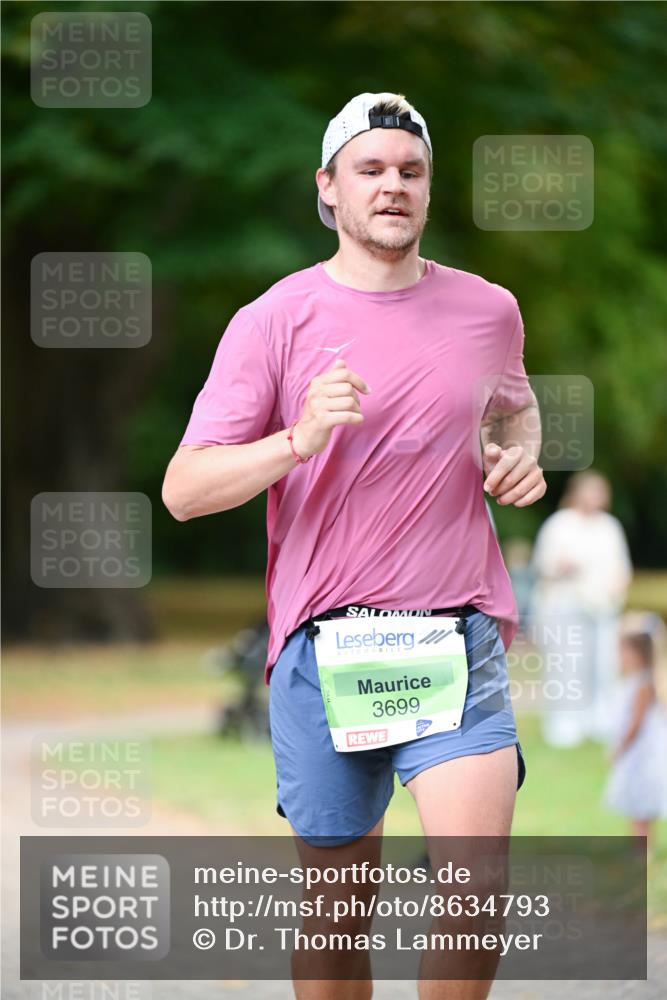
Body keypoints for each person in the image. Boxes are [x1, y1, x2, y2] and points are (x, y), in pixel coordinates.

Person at [163, 91, 546, 1000]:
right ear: (328, 189)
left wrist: (518, 459)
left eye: (409, 172)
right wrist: (295, 440)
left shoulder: (488, 311)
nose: (392, 187)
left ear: (428, 189)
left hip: (454, 637)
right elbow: (182, 491)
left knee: (474, 888)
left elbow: (517, 404)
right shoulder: (273, 318)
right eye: (370, 170)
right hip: (324, 649)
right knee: (337, 913)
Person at [530, 470, 632, 747]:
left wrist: (616, 589)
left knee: (601, 664)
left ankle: (599, 719)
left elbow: (621, 568)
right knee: (567, 665)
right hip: (566, 606)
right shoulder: (560, 524)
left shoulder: (610, 527)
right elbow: (543, 567)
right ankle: (564, 724)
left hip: (602, 608)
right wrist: (561, 567)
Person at [603, 613, 667, 851]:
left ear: (637, 652)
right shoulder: (640, 681)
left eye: (622, 650)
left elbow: (636, 724)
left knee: (640, 807)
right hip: (640, 756)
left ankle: (641, 853)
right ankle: (640, 851)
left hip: (641, 758)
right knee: (637, 808)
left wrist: (620, 748)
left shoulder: (644, 684)